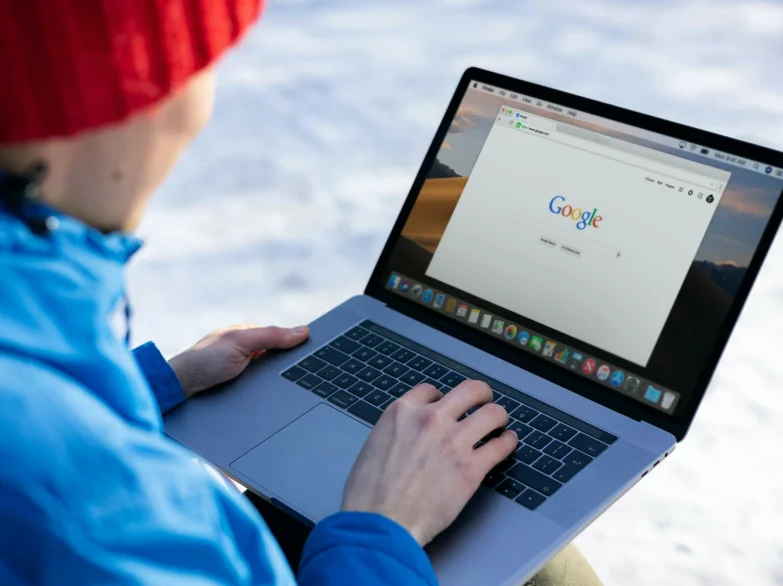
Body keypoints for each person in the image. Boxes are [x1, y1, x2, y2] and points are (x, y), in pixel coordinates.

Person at [0, 1, 602, 584]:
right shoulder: (79, 508)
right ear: (97, 105)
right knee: (548, 569)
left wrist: (157, 385)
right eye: (193, 68)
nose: (200, 106)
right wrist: (382, 526)